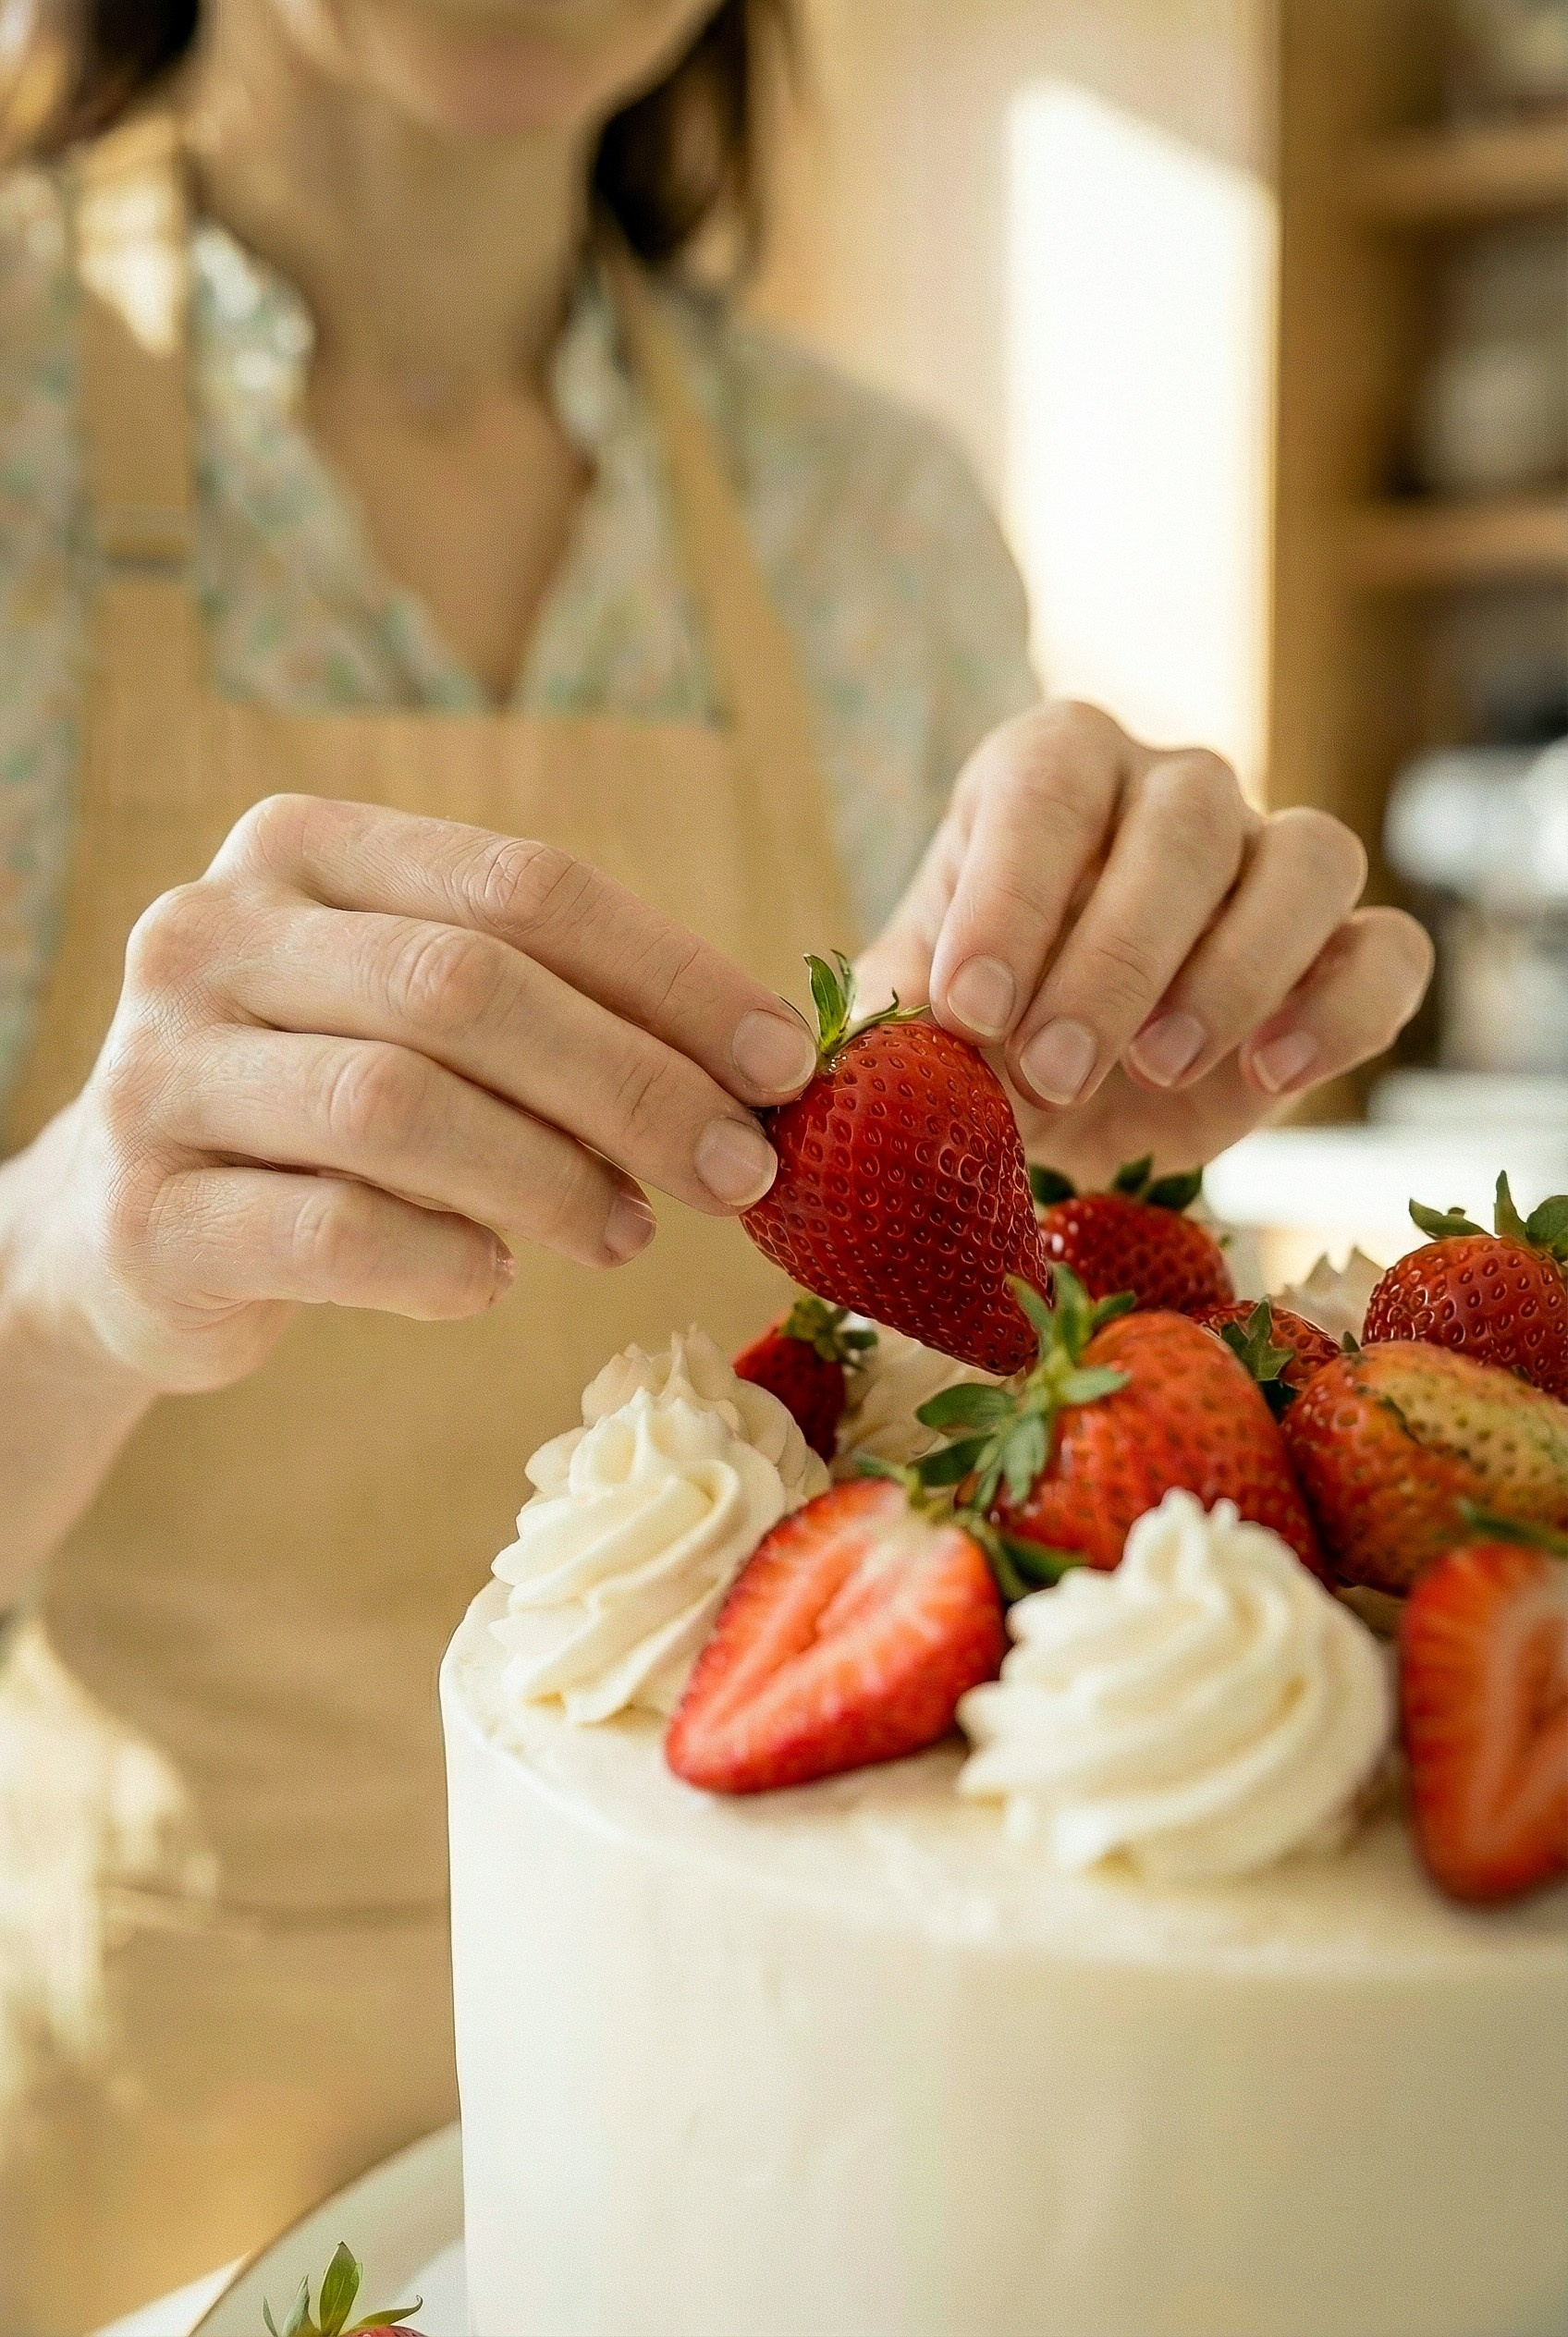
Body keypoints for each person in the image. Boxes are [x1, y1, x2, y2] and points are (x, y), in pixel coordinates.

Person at [0, 1, 1431, 2327]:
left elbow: (935, 1381)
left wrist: (1075, 1155)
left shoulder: (864, 519)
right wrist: (61, 1262)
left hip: (832, 2174)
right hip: (145, 2168)